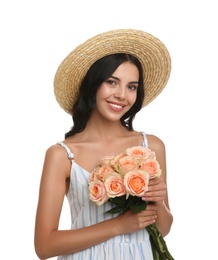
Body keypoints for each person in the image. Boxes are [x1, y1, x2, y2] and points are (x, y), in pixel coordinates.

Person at [34, 29, 173, 260]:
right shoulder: (62, 155)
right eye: (112, 82)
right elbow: (44, 246)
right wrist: (118, 225)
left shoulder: (151, 146)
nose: (122, 95)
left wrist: (159, 200)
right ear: (93, 85)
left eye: (131, 87)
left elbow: (163, 229)